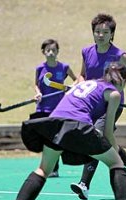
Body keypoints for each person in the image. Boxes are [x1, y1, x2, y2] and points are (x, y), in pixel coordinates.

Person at [1, 62, 126, 200]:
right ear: (124, 80)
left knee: (43, 169)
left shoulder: (84, 84)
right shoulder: (114, 94)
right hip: (78, 126)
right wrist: (117, 153)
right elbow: (108, 132)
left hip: (54, 125)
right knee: (116, 163)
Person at [70, 13, 126, 200]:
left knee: (96, 135)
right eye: (97, 32)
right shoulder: (86, 52)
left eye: (105, 32)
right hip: (92, 105)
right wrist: (77, 83)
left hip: (113, 103)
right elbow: (82, 75)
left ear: (112, 34)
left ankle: (84, 183)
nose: (101, 35)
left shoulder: (119, 55)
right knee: (103, 140)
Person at [31, 39, 77, 177]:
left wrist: (71, 87)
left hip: (59, 108)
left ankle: (54, 168)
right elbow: (36, 84)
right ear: (43, 52)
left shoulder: (63, 67)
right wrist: (38, 93)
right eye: (48, 50)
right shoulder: (40, 68)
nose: (51, 53)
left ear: (58, 52)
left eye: (53, 50)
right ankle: (49, 167)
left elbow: (76, 79)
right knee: (46, 138)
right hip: (43, 108)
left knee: (55, 138)